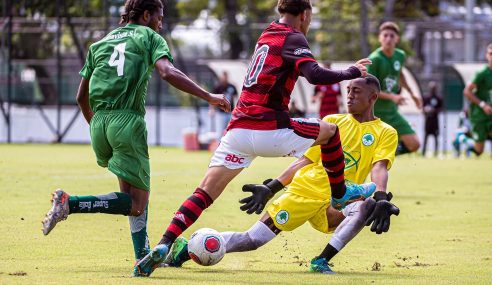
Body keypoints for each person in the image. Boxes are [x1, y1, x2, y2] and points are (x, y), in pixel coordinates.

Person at [135, 0, 373, 277]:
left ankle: (165, 243)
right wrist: (351, 71)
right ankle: (341, 193)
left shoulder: (267, 34)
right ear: (305, 15)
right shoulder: (293, 36)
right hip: (269, 127)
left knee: (203, 193)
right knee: (331, 132)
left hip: (237, 130)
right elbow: (315, 75)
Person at [41, 0, 230, 267]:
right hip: (127, 122)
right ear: (146, 15)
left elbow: (80, 96)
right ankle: (69, 204)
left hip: (99, 123)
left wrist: (98, 127)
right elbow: (167, 72)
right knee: (138, 203)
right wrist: (208, 96)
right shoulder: (149, 37)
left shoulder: (100, 43)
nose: (160, 24)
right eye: (160, 18)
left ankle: (142, 255)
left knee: (129, 195)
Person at [164, 75, 400, 274]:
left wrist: (381, 197)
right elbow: (305, 160)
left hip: (337, 200)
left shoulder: (385, 132)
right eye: (348, 90)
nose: (349, 95)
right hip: (305, 191)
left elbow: (378, 167)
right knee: (252, 240)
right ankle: (186, 249)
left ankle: (321, 261)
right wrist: (272, 187)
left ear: (373, 98)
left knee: (366, 205)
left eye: (356, 91)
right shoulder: (332, 122)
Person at [367, 21, 422, 155]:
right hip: (374, 114)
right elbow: (369, 90)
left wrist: (412, 93)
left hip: (392, 111)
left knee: (414, 144)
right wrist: (392, 96)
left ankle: (383, 155)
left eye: (392, 36)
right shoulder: (374, 59)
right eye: (385, 35)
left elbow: (400, 74)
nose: (388, 39)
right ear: (380, 38)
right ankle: (376, 157)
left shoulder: (400, 55)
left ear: (397, 39)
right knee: (364, 147)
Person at [454, 43, 492, 156]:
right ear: (487, 55)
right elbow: (467, 91)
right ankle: (461, 139)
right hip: (479, 114)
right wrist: (483, 105)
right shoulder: (482, 73)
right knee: (479, 150)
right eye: (490, 53)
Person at [210, 71, 238, 137]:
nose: (225, 78)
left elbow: (236, 98)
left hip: (230, 112)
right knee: (219, 132)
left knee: (230, 131)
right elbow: (212, 99)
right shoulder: (218, 87)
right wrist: (212, 109)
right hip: (220, 112)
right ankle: (219, 146)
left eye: (226, 76)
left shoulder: (232, 86)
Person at [422, 81, 443, 157]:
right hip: (428, 121)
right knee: (426, 137)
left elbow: (441, 108)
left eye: (434, 88)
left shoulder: (438, 98)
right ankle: (423, 153)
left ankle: (436, 153)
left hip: (435, 121)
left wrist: (434, 110)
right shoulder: (426, 98)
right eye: (431, 88)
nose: (433, 89)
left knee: (436, 137)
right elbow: (422, 108)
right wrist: (426, 110)